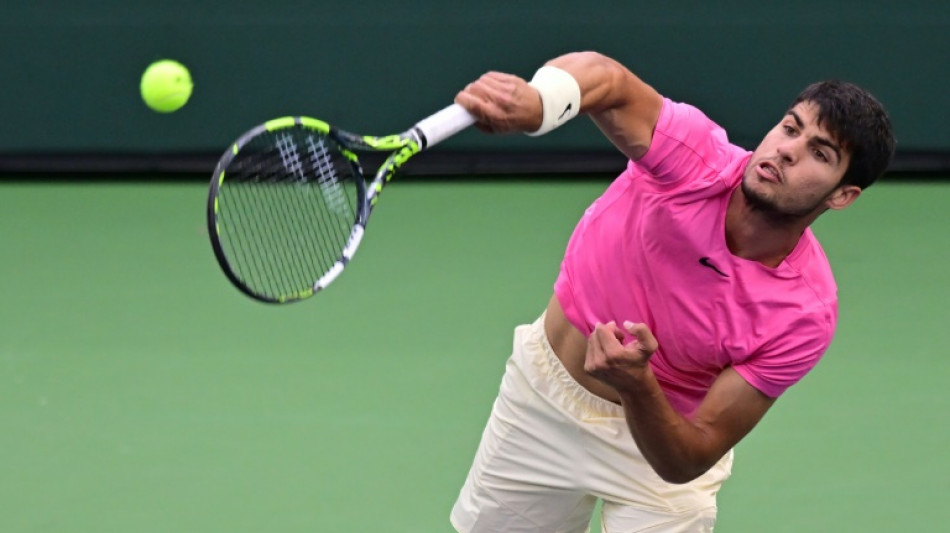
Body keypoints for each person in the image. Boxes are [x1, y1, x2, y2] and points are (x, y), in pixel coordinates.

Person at [449, 51, 895, 533]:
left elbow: (688, 458)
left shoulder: (803, 314)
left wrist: (637, 384)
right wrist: (542, 103)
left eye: (820, 153)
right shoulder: (696, 157)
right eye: (790, 128)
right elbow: (609, 79)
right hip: (543, 402)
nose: (788, 150)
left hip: (662, 449)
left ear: (842, 195)